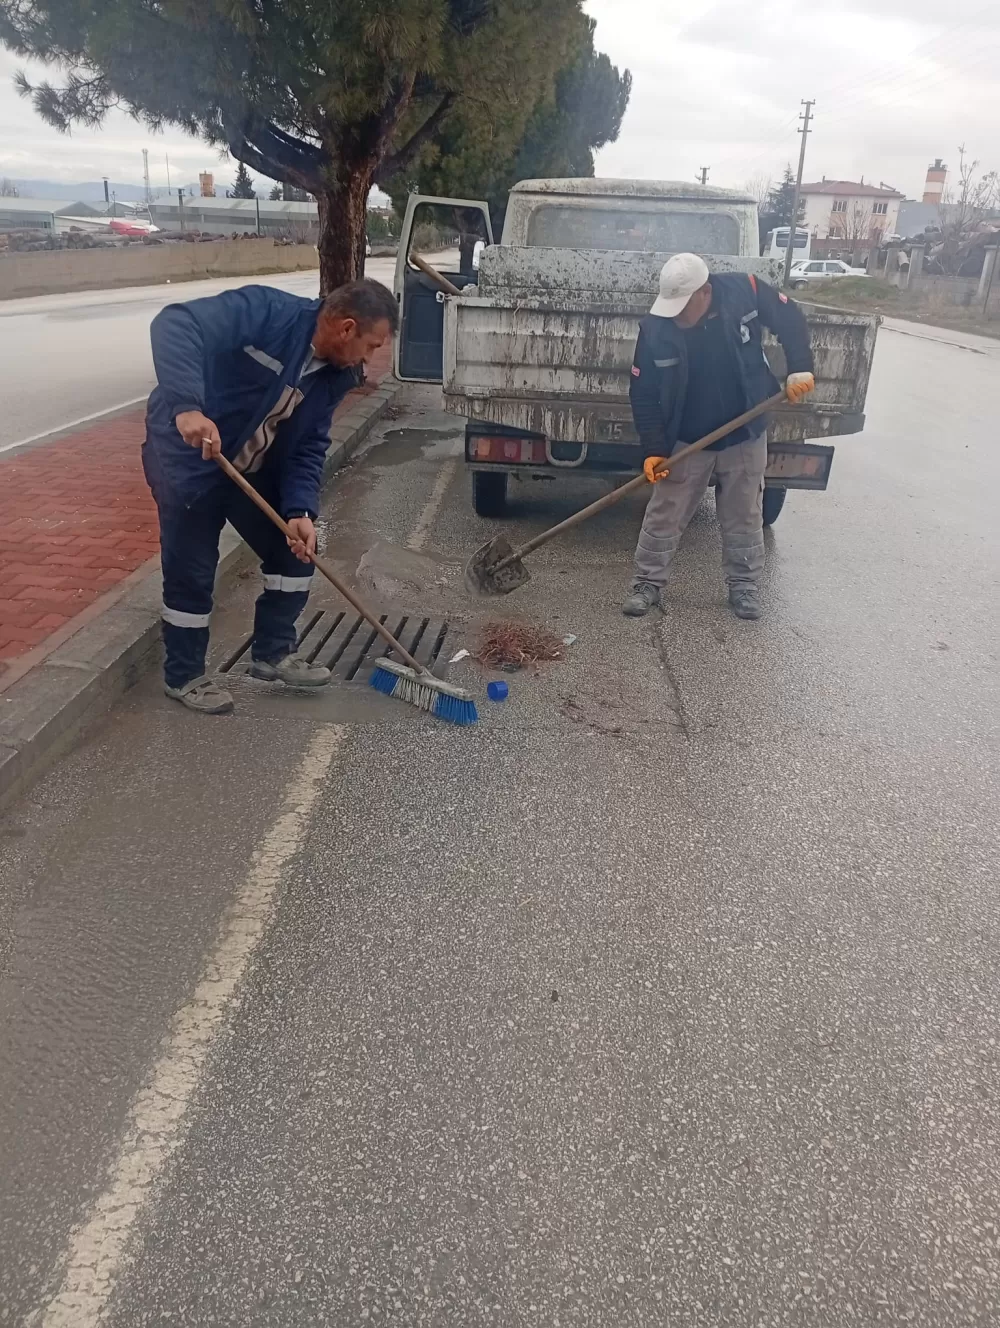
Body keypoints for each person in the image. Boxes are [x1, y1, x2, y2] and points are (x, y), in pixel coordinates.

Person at [142, 278, 399, 714]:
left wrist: (299, 509)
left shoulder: (337, 376)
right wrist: (187, 407)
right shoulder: (267, 313)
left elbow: (308, 446)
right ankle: (183, 676)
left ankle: (273, 653)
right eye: (371, 346)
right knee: (192, 571)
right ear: (347, 328)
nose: (369, 359)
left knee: (293, 549)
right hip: (189, 460)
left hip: (251, 466)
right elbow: (176, 324)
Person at [622, 253, 815, 621]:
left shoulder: (746, 290)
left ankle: (744, 587)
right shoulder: (656, 328)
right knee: (665, 512)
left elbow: (790, 318)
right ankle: (646, 583)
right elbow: (643, 393)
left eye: (683, 306)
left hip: (745, 429)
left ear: (705, 292)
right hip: (687, 436)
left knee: (744, 513)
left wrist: (800, 367)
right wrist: (654, 448)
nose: (677, 315)